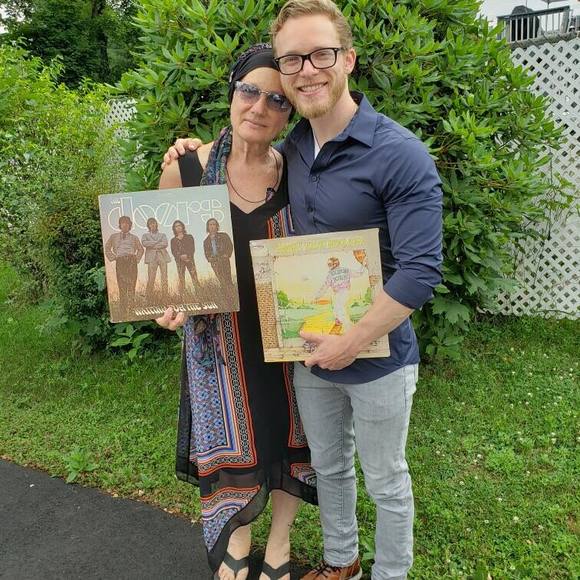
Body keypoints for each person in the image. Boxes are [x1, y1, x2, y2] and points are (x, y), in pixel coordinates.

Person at [164, 2, 443, 578]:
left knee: (386, 479)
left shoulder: (398, 153)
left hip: (377, 355)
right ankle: (341, 565)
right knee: (330, 467)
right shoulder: (295, 150)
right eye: (293, 59)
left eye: (321, 54)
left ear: (348, 60)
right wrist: (188, 150)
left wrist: (351, 341)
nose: (306, 69)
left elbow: (420, 271)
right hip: (307, 349)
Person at [156, 44, 317, 580]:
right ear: (232, 93)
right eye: (249, 91)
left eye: (277, 99)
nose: (260, 107)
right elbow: (166, 269)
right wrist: (167, 307)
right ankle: (240, 539)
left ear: (289, 112)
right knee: (230, 448)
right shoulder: (186, 167)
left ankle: (280, 543)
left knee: (294, 440)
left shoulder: (298, 169)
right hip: (218, 342)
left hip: (287, 335)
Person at [104, 215, 144, 315]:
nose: (125, 225)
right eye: (123, 223)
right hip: (120, 261)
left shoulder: (134, 237)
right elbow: (107, 247)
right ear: (120, 225)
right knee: (122, 285)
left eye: (127, 223)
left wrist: (136, 259)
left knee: (131, 285)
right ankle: (123, 311)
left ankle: (132, 310)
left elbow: (141, 249)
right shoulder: (113, 236)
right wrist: (114, 257)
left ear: (129, 225)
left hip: (131, 261)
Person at [314, 256, 366, 330]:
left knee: (340, 307)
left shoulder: (332, 274)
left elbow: (325, 286)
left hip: (343, 292)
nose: (328, 266)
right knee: (336, 306)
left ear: (335, 264)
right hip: (340, 293)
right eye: (328, 264)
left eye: (329, 264)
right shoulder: (343, 270)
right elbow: (359, 273)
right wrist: (363, 266)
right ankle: (339, 321)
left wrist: (317, 296)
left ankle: (348, 327)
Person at [141, 217, 171, 300]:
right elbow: (144, 243)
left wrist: (152, 245)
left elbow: (165, 244)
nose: (152, 225)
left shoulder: (162, 235)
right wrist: (157, 242)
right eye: (150, 224)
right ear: (148, 225)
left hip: (162, 256)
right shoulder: (145, 235)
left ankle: (165, 296)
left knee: (164, 277)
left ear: (156, 224)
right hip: (151, 258)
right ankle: (148, 297)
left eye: (154, 223)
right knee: (151, 277)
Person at [204, 217, 235, 293]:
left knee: (228, 279)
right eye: (210, 224)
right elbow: (206, 252)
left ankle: (232, 293)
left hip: (224, 259)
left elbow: (230, 246)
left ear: (217, 226)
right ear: (208, 227)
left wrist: (227, 255)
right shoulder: (206, 241)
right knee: (221, 279)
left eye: (214, 224)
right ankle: (225, 294)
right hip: (214, 261)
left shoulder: (224, 235)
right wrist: (209, 259)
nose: (212, 226)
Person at [170, 219, 201, 296]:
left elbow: (192, 248)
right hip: (180, 262)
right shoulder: (173, 240)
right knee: (181, 279)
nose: (178, 227)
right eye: (176, 226)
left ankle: (200, 294)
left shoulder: (189, 237)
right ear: (174, 229)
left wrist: (187, 256)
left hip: (189, 260)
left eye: (179, 225)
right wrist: (180, 257)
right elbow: (174, 252)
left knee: (194, 277)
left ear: (182, 226)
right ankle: (183, 296)